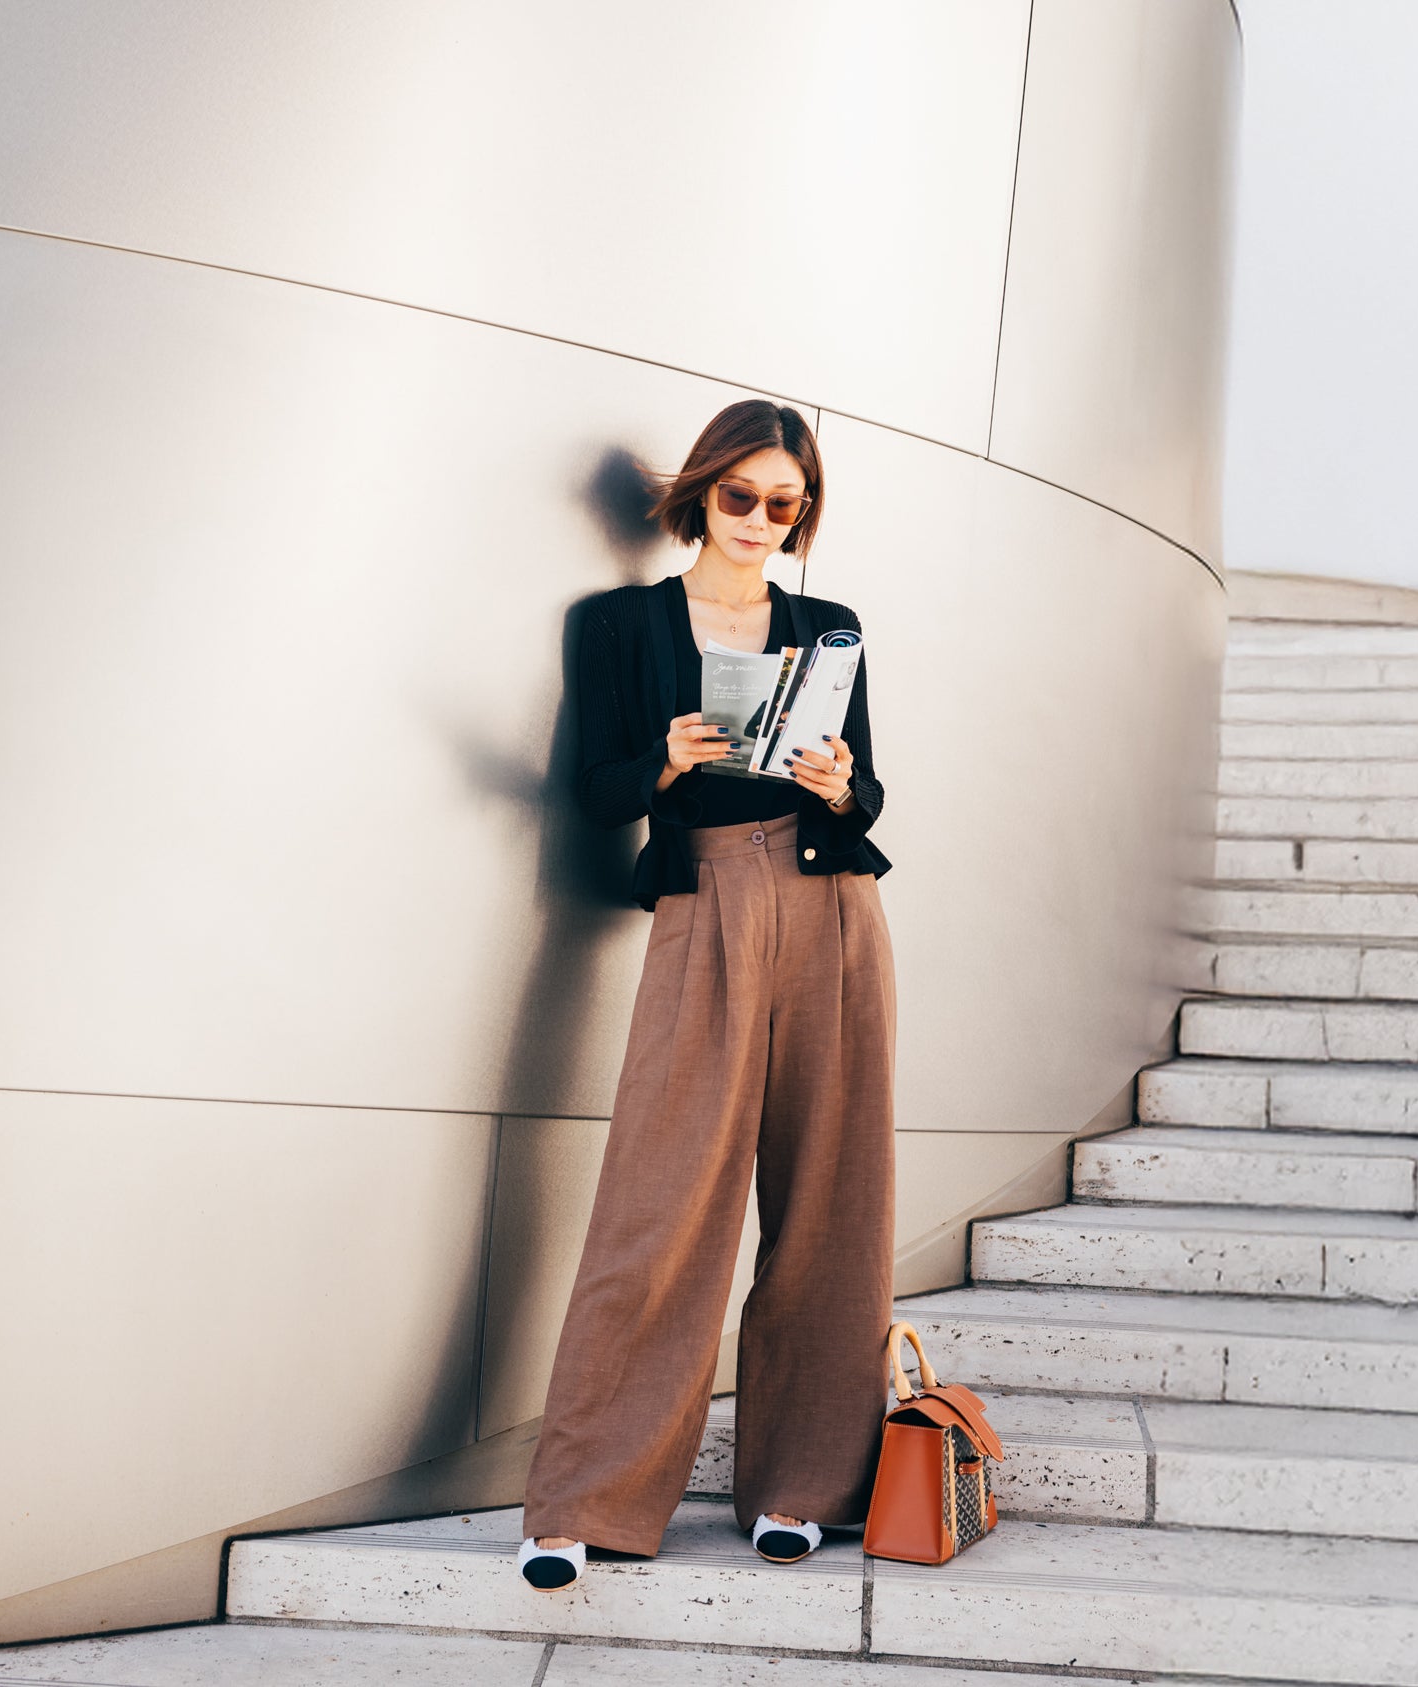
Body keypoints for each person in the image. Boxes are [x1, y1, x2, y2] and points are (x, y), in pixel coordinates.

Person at [516, 398, 894, 1589]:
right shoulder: (622, 622)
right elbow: (591, 788)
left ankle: (802, 1488)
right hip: (708, 903)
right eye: (742, 496)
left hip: (833, 903)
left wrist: (840, 783)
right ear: (701, 493)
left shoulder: (829, 624)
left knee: (833, 1199)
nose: (761, 521)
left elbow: (872, 792)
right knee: (663, 1200)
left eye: (786, 505)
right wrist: (666, 762)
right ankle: (584, 1500)